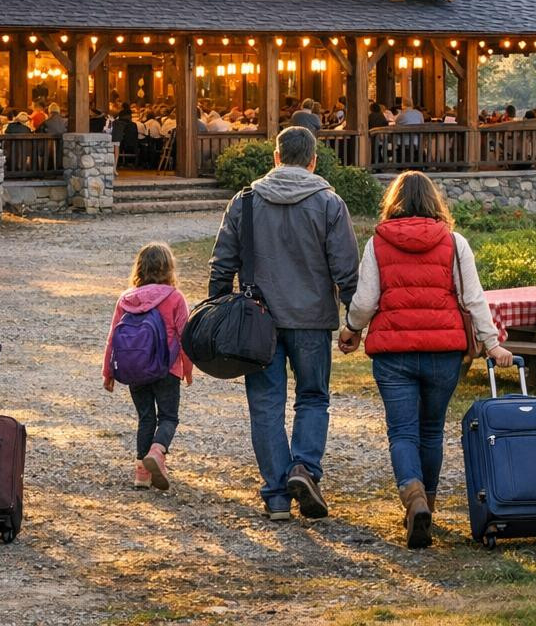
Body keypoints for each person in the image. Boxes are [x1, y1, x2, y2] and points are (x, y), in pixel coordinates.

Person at [338, 172, 514, 547]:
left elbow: (367, 300)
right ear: (434, 201)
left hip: (393, 353)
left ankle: (413, 498)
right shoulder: (453, 242)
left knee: (402, 432)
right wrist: (493, 343)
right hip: (443, 352)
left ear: (393, 202)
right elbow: (473, 298)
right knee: (431, 430)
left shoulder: (378, 242)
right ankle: (427, 506)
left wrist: (352, 328)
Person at [209, 127, 359, 521]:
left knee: (265, 406)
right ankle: (304, 469)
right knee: (312, 397)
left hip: (258, 323)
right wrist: (354, 321)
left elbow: (222, 262)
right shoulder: (329, 203)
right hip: (311, 320)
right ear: (313, 160)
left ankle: (277, 495)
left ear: (275, 157)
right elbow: (346, 269)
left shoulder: (245, 201)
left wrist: (215, 313)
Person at [103, 243, 193, 491]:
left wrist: (108, 372)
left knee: (145, 418)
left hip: (136, 369)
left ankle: (142, 473)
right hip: (166, 369)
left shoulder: (126, 298)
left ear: (139, 268)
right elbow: (185, 336)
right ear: (169, 269)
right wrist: (187, 368)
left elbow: (113, 337)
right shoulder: (175, 297)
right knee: (168, 417)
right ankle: (157, 451)